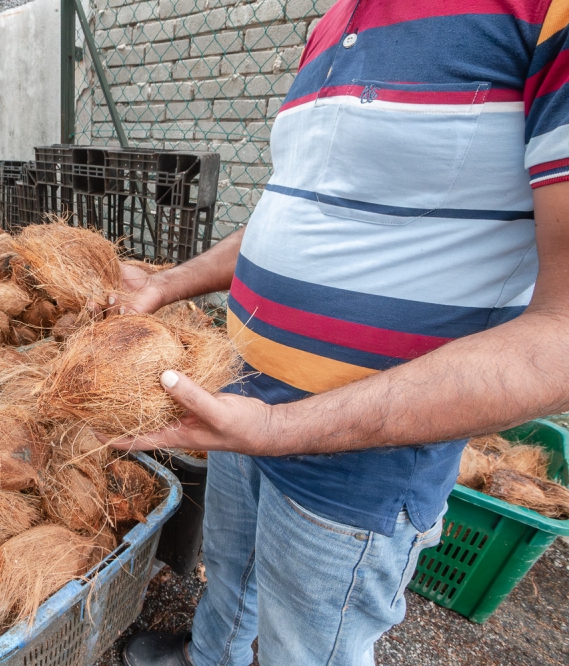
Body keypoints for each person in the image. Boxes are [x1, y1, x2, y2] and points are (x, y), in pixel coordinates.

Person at [110, 2, 569, 665]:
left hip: (365, 457)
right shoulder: (332, 22)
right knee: (231, 573)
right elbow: (297, 209)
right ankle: (208, 658)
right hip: (239, 399)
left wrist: (279, 430)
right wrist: (168, 282)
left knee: (309, 644)